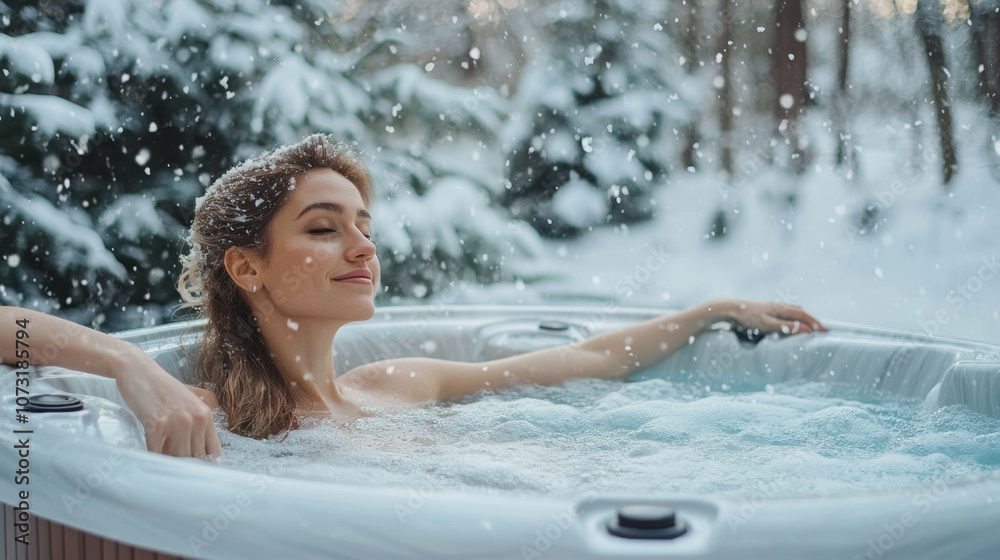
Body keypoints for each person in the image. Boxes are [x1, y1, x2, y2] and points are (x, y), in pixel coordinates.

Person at [0, 134, 827, 460]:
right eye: (323, 229)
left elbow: (583, 361)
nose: (363, 247)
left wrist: (709, 311)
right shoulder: (208, 411)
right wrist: (124, 362)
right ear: (246, 269)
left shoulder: (401, 383)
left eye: (365, 225)